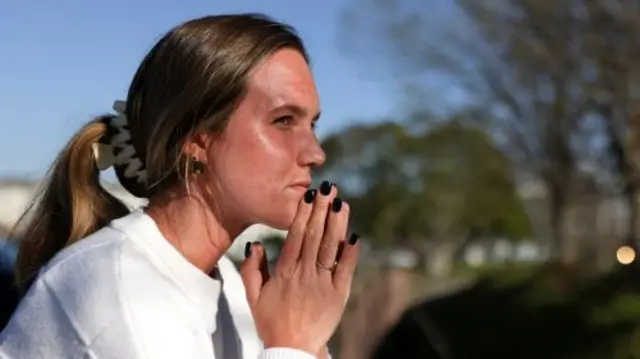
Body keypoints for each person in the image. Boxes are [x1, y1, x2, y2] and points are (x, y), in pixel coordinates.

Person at [0, 13, 360, 359]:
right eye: (283, 120)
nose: (315, 153)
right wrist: (292, 341)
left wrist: (309, 340)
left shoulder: (232, 288)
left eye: (311, 124)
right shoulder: (120, 294)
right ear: (195, 138)